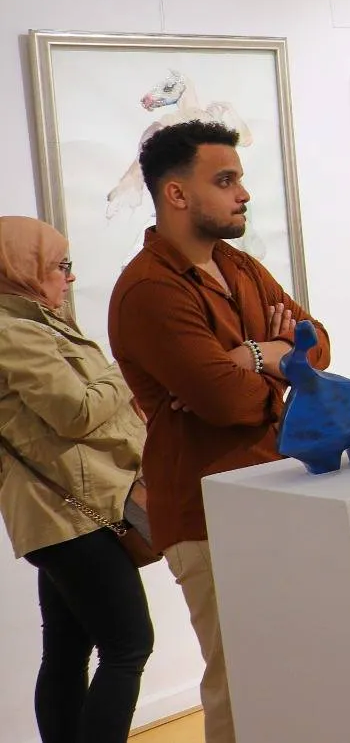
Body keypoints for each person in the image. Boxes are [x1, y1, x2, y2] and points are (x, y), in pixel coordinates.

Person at [108, 120, 330, 743]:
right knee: (241, 678)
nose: (243, 193)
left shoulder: (238, 264)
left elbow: (319, 344)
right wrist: (278, 359)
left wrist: (256, 354)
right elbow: (224, 400)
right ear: (177, 194)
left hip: (272, 486)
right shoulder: (148, 290)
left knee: (288, 665)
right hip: (206, 509)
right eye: (226, 180)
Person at [0, 218, 152, 743]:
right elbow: (76, 411)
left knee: (67, 650)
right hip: (66, 513)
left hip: (64, 511)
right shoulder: (13, 332)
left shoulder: (38, 323)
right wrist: (126, 368)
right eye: (59, 266)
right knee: (128, 646)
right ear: (21, 268)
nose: (69, 277)